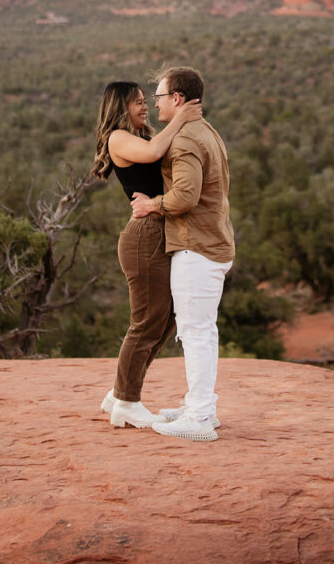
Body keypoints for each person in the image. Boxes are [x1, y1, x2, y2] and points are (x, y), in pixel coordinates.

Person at [131, 66, 234, 442]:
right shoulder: (207, 131)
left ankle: (201, 418)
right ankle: (199, 406)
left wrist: (151, 205)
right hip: (213, 243)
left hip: (197, 247)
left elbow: (186, 197)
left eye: (158, 96)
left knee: (196, 331)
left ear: (176, 99)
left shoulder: (187, 139)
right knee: (200, 330)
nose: (154, 101)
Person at [91, 80, 202, 429]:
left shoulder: (139, 136)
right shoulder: (117, 138)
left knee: (166, 318)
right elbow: (155, 152)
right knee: (146, 322)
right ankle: (126, 401)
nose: (144, 106)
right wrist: (181, 117)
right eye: (137, 102)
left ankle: (119, 392)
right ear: (119, 107)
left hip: (159, 234)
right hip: (145, 238)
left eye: (145, 100)